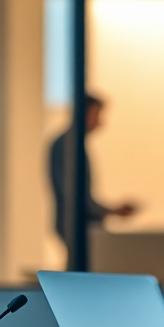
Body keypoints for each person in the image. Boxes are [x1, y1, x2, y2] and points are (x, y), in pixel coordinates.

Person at [49, 94, 138, 261]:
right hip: (76, 226)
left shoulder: (72, 144)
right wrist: (110, 211)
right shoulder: (67, 146)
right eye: (97, 115)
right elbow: (73, 195)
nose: (101, 122)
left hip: (80, 225)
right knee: (82, 274)